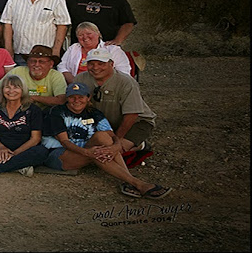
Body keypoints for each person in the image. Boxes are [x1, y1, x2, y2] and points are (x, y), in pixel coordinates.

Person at [41, 82, 171, 199]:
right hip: (59, 154)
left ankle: (127, 181)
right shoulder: (56, 113)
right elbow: (65, 142)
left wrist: (115, 146)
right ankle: (138, 183)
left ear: (88, 98)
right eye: (72, 97)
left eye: (80, 97)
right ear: (67, 98)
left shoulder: (93, 112)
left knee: (102, 137)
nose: (76, 100)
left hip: (86, 148)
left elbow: (111, 134)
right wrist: (88, 153)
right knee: (98, 154)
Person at [73, 48, 157, 155]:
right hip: (102, 123)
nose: (95, 68)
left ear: (111, 64)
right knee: (92, 149)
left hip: (135, 122)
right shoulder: (80, 79)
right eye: (91, 64)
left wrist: (116, 141)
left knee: (113, 152)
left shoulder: (126, 82)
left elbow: (132, 114)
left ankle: (141, 145)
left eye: (101, 64)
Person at [1, 0, 71, 66]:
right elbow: (7, 24)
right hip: (20, 54)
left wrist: (56, 51)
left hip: (45, 55)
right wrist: (8, 49)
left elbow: (62, 26)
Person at [67, 0, 136, 46]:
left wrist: (118, 40)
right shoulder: (75, 0)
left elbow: (128, 23)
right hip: (79, 47)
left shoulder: (119, 2)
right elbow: (62, 22)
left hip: (107, 47)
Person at [0, 45, 66, 110]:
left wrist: (33, 98)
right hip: (19, 111)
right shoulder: (18, 71)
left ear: (51, 64)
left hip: (45, 113)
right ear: (27, 62)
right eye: (33, 61)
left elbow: (61, 100)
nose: (36, 65)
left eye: (41, 62)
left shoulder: (56, 75)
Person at [58, 21, 131, 84]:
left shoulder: (113, 50)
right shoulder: (74, 48)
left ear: (98, 34)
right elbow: (62, 66)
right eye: (80, 35)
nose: (85, 37)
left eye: (89, 33)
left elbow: (124, 72)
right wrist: (74, 81)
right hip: (77, 87)